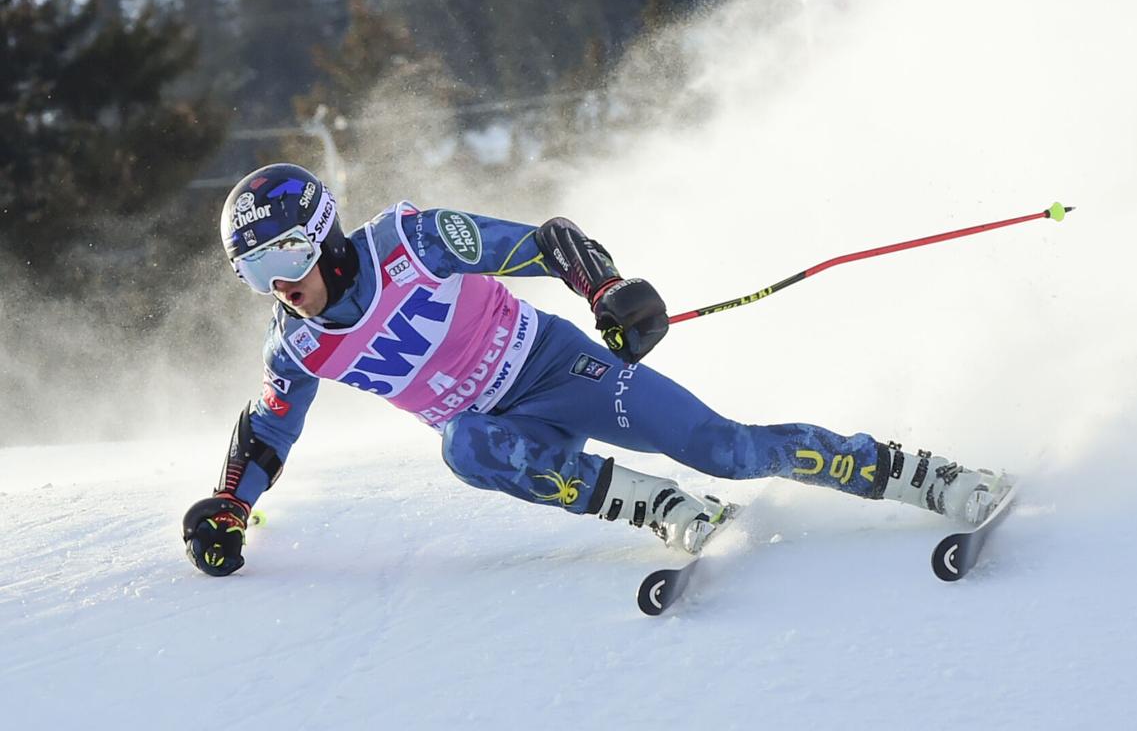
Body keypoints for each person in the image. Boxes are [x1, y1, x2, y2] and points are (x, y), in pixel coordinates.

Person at [182, 163, 1011, 576]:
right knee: (463, 446)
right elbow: (269, 430)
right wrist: (229, 506)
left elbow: (543, 242)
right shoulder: (294, 345)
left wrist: (606, 290)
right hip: (504, 430)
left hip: (555, 367)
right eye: (253, 274)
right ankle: (659, 508)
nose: (279, 286)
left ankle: (913, 473)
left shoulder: (408, 241)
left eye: (284, 257)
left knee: (725, 448)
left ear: (324, 234)